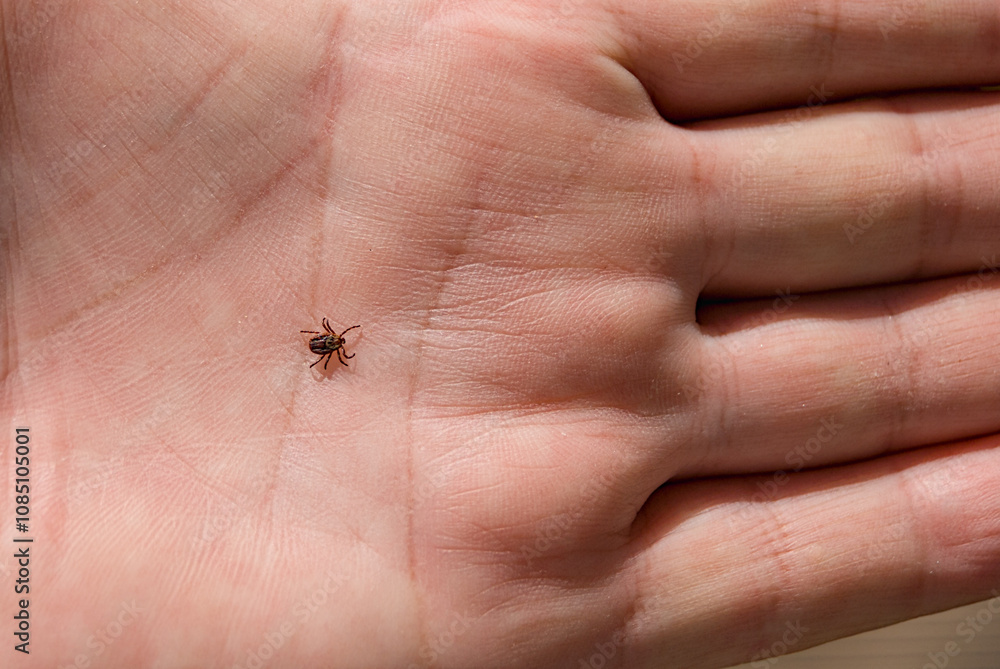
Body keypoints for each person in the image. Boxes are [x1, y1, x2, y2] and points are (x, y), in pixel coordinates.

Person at [3, 1, 999, 667]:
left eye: (329, 347)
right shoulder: (333, 343)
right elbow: (334, 333)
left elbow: (328, 336)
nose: (331, 349)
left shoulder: (328, 345)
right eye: (330, 347)